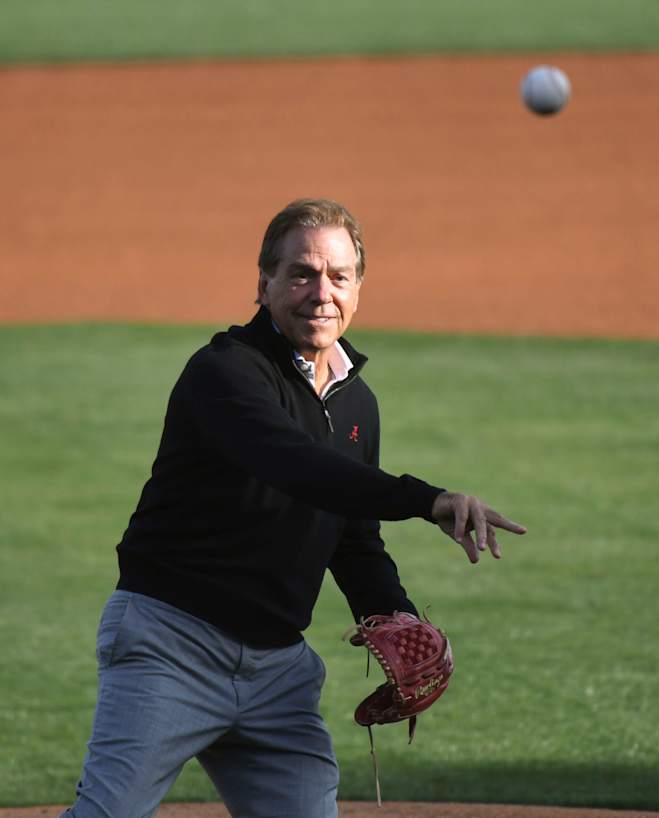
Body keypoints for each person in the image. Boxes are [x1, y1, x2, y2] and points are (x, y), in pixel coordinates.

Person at [61, 198, 526, 818]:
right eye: (302, 273)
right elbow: (296, 466)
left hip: (276, 673)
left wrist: (397, 618)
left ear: (358, 288)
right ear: (265, 283)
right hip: (170, 648)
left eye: (338, 276)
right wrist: (425, 499)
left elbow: (353, 539)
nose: (321, 292)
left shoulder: (357, 403)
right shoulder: (226, 373)